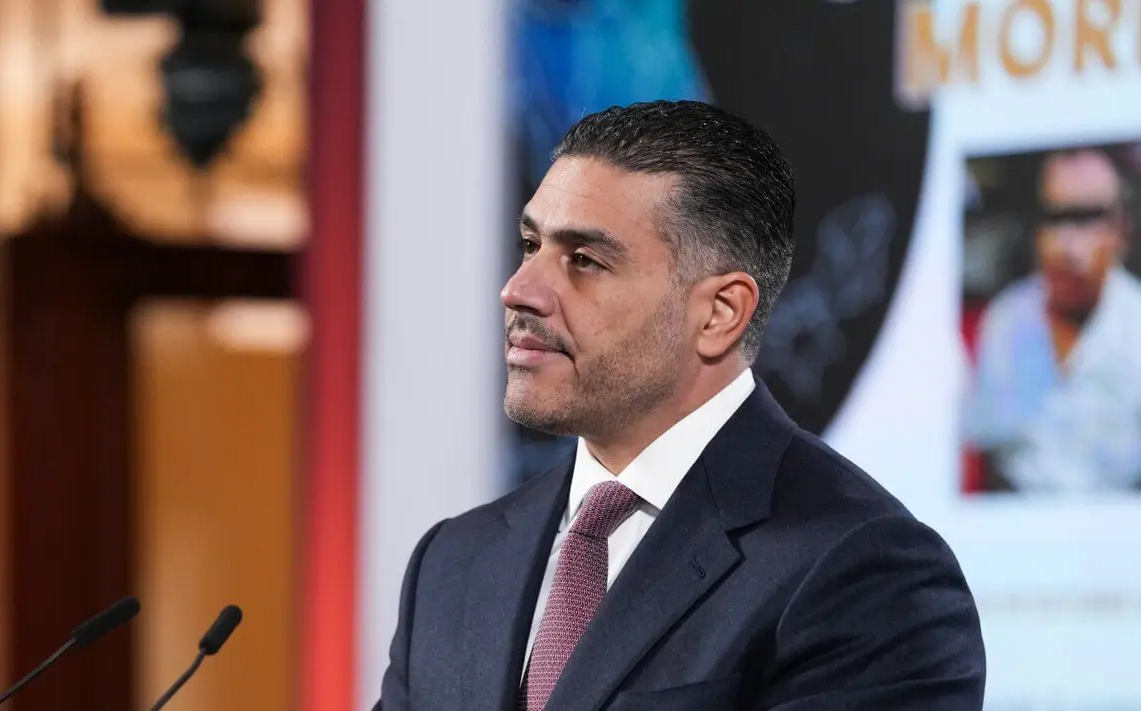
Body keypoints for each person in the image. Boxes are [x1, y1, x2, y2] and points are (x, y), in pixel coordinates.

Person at [374, 101, 984, 710]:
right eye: (530, 245)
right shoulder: (451, 562)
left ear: (719, 314)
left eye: (584, 261)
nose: (519, 289)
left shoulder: (867, 571)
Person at [963, 148, 1141, 492]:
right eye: (1055, 218)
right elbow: (983, 454)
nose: (1067, 244)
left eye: (1088, 218)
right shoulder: (1005, 320)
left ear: (1121, 231)